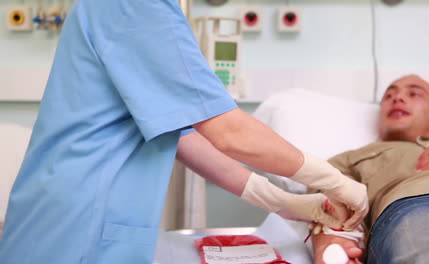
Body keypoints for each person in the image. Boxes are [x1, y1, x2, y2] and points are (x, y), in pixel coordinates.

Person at [0, 1, 368, 263]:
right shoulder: (135, 7)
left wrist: (280, 201)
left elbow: (180, 134)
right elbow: (230, 132)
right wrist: (336, 181)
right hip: (77, 225)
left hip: (69, 212)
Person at [311, 75, 429, 264]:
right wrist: (331, 241)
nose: (398, 98)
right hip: (420, 207)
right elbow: (325, 200)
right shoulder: (349, 159)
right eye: (389, 96)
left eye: (414, 94)